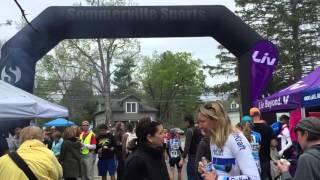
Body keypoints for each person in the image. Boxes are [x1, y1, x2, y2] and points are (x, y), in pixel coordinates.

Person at [197, 102, 260, 180]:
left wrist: (217, 179)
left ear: (216, 120)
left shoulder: (236, 139)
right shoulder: (214, 139)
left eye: (202, 121)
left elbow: (254, 178)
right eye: (198, 122)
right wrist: (207, 169)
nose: (199, 126)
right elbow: (221, 171)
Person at [250, 107, 273, 180]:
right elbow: (273, 143)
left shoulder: (248, 128)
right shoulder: (268, 127)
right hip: (265, 159)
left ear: (251, 116)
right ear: (259, 115)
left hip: (252, 159)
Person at [179, 114, 203, 180]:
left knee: (191, 177)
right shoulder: (198, 129)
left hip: (192, 158)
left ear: (188, 122)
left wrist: (182, 158)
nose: (184, 123)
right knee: (199, 177)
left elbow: (187, 147)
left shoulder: (189, 131)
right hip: (200, 157)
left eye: (185, 122)